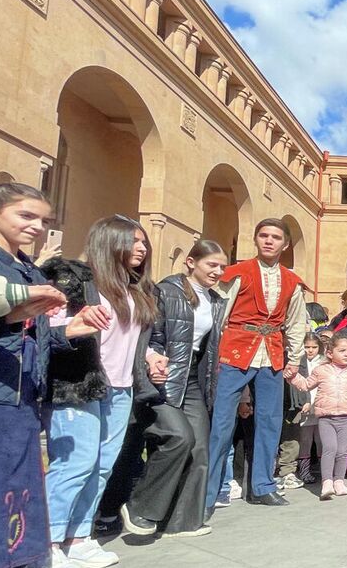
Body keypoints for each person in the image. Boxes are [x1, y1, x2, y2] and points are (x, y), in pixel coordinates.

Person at [0, 183, 104, 568]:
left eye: (43, 220)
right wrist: (14, 303)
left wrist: (65, 333)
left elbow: (29, 333)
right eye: (26, 216)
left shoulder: (29, 268)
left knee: (16, 488)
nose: (37, 227)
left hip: (24, 394)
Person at [41, 215, 157, 568]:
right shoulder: (76, 280)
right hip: (78, 385)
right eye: (133, 240)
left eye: (143, 242)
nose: (141, 247)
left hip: (120, 389)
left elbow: (132, 340)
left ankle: (79, 538)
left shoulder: (136, 288)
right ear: (109, 241)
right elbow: (44, 327)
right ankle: (46, 544)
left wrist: (151, 357)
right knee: (75, 464)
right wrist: (71, 325)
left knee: (102, 467)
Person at [118, 239, 228, 540]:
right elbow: (148, 334)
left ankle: (180, 521)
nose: (217, 271)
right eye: (211, 265)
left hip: (193, 378)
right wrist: (152, 358)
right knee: (178, 437)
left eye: (222, 266)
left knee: (200, 447)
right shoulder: (166, 291)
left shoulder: (215, 300)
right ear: (190, 262)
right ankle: (140, 506)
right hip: (161, 377)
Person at [205, 218, 309, 511]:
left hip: (272, 354)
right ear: (255, 239)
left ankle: (262, 486)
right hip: (235, 351)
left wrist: (294, 358)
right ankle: (211, 489)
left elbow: (296, 322)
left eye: (275, 237)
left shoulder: (292, 281)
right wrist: (214, 354)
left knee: (269, 421)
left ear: (285, 244)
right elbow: (220, 314)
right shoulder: (237, 273)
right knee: (222, 422)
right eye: (263, 235)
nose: (269, 241)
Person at [288, 334, 347, 499]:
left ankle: (339, 481)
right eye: (342, 350)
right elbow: (306, 385)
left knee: (342, 451)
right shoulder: (321, 370)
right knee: (329, 449)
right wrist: (292, 377)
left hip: (346, 418)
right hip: (326, 418)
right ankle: (327, 482)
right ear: (330, 353)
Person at [290, 333, 323, 483]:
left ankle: (325, 470)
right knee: (306, 440)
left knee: (321, 439)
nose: (310, 350)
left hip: (321, 405)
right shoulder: (299, 361)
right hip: (305, 405)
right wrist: (305, 401)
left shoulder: (323, 361)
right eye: (307, 347)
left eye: (314, 347)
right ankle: (304, 471)